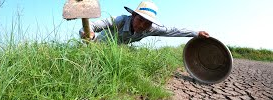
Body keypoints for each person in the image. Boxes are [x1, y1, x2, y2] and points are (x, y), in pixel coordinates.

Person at [79, 1, 209, 44]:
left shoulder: (150, 29)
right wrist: (87, 33)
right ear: (133, 15)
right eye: (140, 19)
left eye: (147, 23)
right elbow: (93, 26)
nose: (142, 25)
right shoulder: (119, 20)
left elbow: (172, 30)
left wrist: (196, 33)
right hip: (97, 44)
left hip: (117, 53)